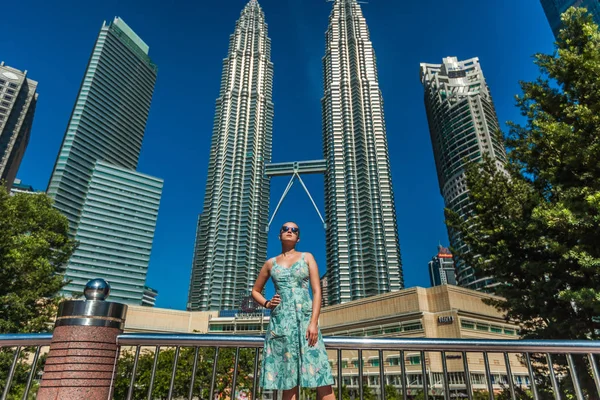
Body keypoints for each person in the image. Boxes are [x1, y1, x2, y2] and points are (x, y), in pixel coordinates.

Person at [252, 222, 335, 400]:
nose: (290, 231)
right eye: (285, 229)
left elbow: (316, 291)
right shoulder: (270, 263)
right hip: (281, 324)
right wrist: (267, 304)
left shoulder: (307, 257)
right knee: (288, 381)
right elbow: (255, 291)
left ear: (298, 238)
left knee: (321, 376)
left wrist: (313, 322)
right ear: (279, 235)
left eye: (294, 230)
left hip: (305, 322)